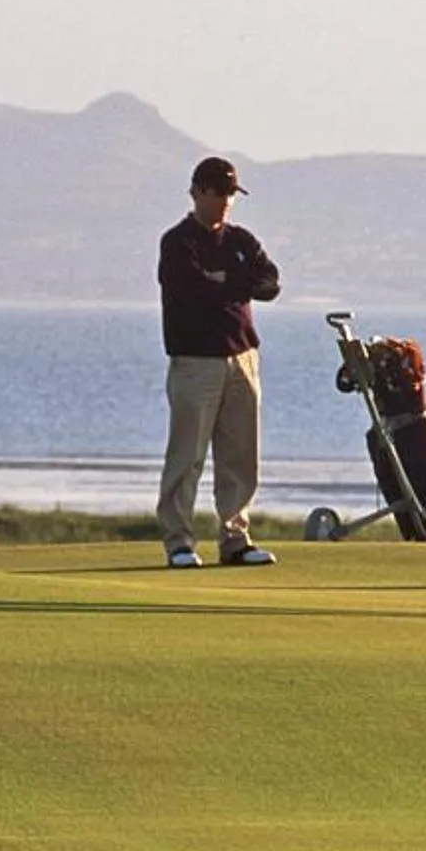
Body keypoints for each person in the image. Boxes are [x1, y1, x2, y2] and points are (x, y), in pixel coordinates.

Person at [156, 154, 280, 568]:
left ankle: (235, 539)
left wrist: (227, 281)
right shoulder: (178, 242)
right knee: (187, 456)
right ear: (198, 192)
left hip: (243, 357)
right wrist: (234, 284)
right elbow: (193, 293)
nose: (227, 200)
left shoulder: (241, 241)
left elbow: (270, 283)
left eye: (232, 193)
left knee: (240, 455)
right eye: (220, 192)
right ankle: (178, 541)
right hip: (195, 362)